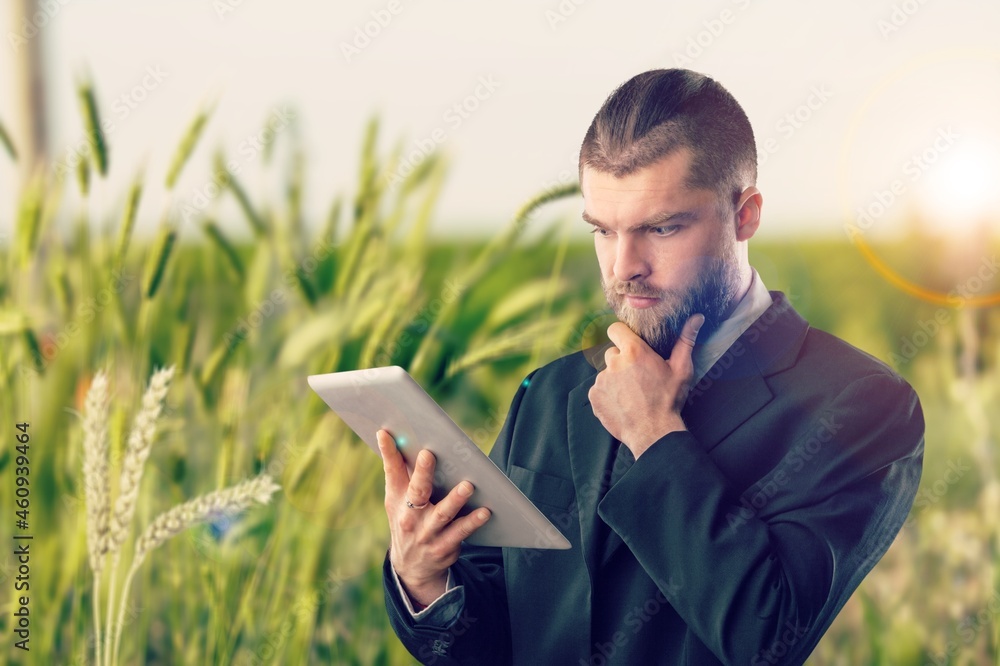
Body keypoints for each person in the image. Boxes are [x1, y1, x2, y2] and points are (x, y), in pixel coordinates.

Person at [377, 68, 925, 665]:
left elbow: (766, 639)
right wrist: (425, 579)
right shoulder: (551, 390)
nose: (623, 266)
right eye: (603, 231)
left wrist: (656, 436)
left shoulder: (862, 405)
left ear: (746, 215)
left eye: (661, 228)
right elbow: (494, 644)